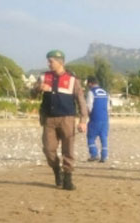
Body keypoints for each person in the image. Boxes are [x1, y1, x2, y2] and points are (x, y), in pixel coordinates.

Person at [36, 50, 88, 190]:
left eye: (51, 61)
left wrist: (83, 120)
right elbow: (31, 92)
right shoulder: (43, 77)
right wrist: (38, 88)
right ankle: (56, 170)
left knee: (68, 150)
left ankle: (67, 178)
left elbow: (81, 101)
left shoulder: (73, 80)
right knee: (48, 150)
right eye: (48, 60)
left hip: (67, 118)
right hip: (48, 119)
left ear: (60, 62)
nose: (48, 63)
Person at [86, 76, 110, 162]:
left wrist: (88, 116)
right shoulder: (105, 92)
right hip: (105, 119)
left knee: (91, 137)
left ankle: (94, 154)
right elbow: (108, 108)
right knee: (104, 137)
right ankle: (104, 156)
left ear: (90, 83)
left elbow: (89, 107)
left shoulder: (91, 92)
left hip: (95, 118)